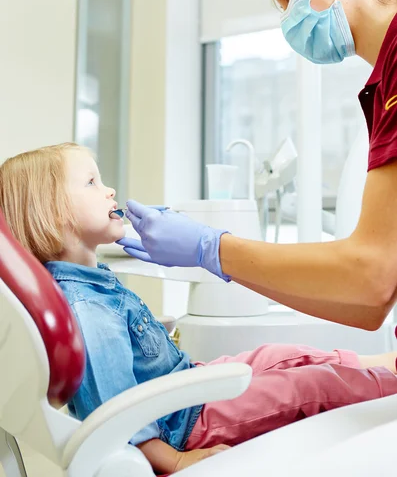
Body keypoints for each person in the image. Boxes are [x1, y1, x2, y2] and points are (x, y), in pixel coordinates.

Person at [1, 143, 397, 475]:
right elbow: (113, 412)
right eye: (91, 183)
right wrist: (174, 460)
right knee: (311, 386)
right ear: (51, 214)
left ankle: (378, 364)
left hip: (186, 389)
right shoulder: (86, 306)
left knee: (278, 355)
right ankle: (386, 387)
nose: (109, 191)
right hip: (184, 424)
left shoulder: (92, 281)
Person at [118, 0, 397, 332]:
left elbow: (371, 277)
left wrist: (211, 247)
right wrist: (217, 260)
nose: (288, 18)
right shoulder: (381, 83)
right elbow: (367, 307)